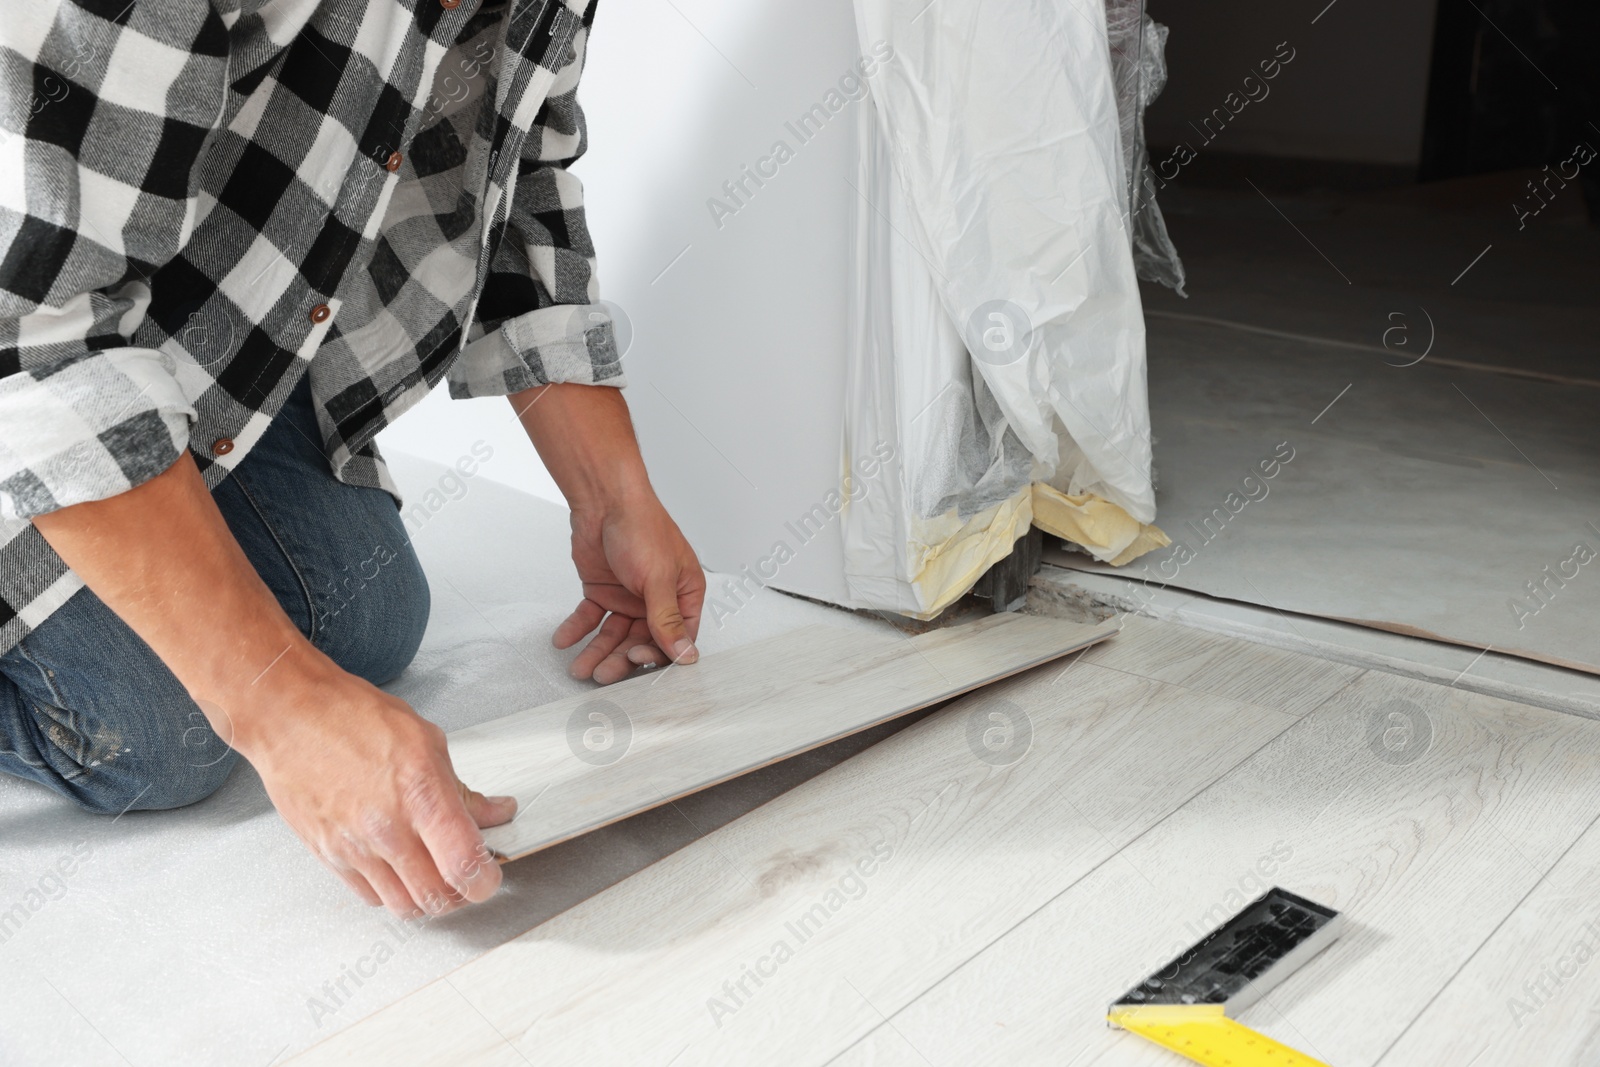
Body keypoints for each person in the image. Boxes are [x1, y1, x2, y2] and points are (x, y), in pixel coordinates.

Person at [0, 0, 705, 918]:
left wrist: (611, 494)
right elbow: (30, 330)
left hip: (171, 308)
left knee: (368, 616)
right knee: (160, 735)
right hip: (31, 298)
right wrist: (280, 710)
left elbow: (520, 169)